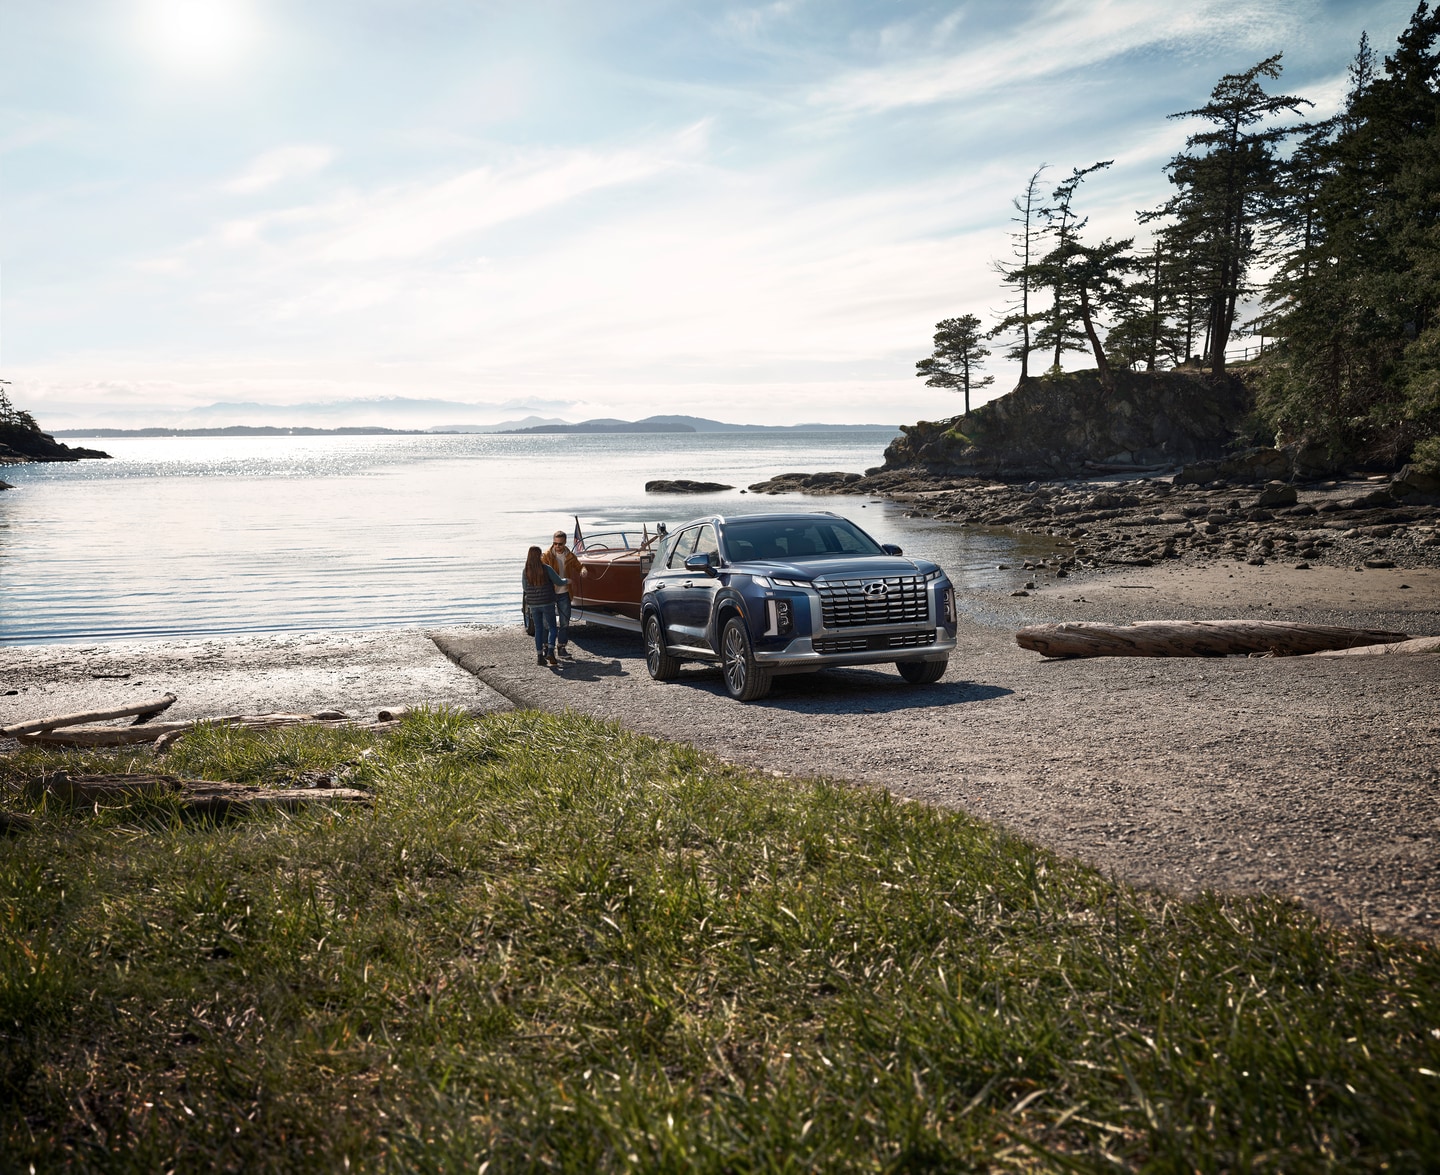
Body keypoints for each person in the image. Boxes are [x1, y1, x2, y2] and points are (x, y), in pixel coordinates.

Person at [522, 545, 566, 667]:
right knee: (552, 627)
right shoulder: (546, 568)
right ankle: (551, 651)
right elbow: (559, 582)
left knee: (539, 629)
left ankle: (539, 657)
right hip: (547, 602)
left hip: (533, 604)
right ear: (539, 555)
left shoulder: (526, 571)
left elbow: (525, 588)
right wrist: (568, 580)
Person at [542, 528, 583, 657]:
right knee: (547, 622)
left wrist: (583, 570)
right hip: (550, 594)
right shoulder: (546, 556)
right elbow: (541, 573)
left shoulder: (570, 556)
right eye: (555, 543)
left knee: (564, 622)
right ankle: (546, 647)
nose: (557, 546)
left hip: (565, 593)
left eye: (560, 544)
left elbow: (579, 566)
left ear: (565, 543)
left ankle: (561, 647)